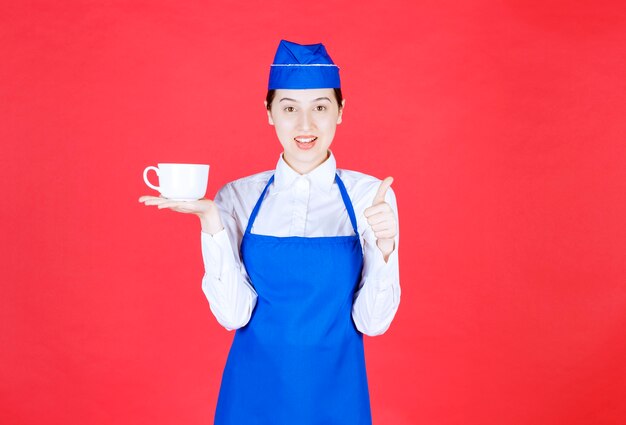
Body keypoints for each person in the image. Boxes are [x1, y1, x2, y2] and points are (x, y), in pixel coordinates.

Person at [139, 39, 401, 425]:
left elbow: (372, 323)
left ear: (341, 112)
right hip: (251, 397)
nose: (305, 125)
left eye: (321, 108)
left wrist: (385, 245)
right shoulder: (238, 197)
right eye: (290, 108)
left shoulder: (370, 196)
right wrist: (210, 221)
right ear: (268, 112)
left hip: (337, 396)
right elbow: (233, 315)